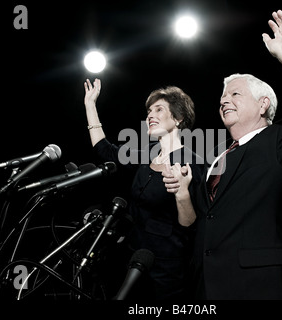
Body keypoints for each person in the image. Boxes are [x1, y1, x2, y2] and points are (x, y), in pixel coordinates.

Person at [163, 10, 282, 299]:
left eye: (235, 94)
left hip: (256, 287)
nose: (224, 100)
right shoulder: (214, 158)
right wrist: (184, 194)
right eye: (223, 97)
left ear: (263, 105)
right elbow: (195, 225)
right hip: (203, 289)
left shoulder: (281, 140)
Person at [83, 81, 204, 300]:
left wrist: (182, 192)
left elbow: (190, 224)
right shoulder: (146, 155)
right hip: (132, 260)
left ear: (178, 119)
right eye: (149, 111)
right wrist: (90, 104)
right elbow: (105, 150)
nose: (150, 115)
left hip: (167, 273)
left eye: (159, 110)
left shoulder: (192, 164)